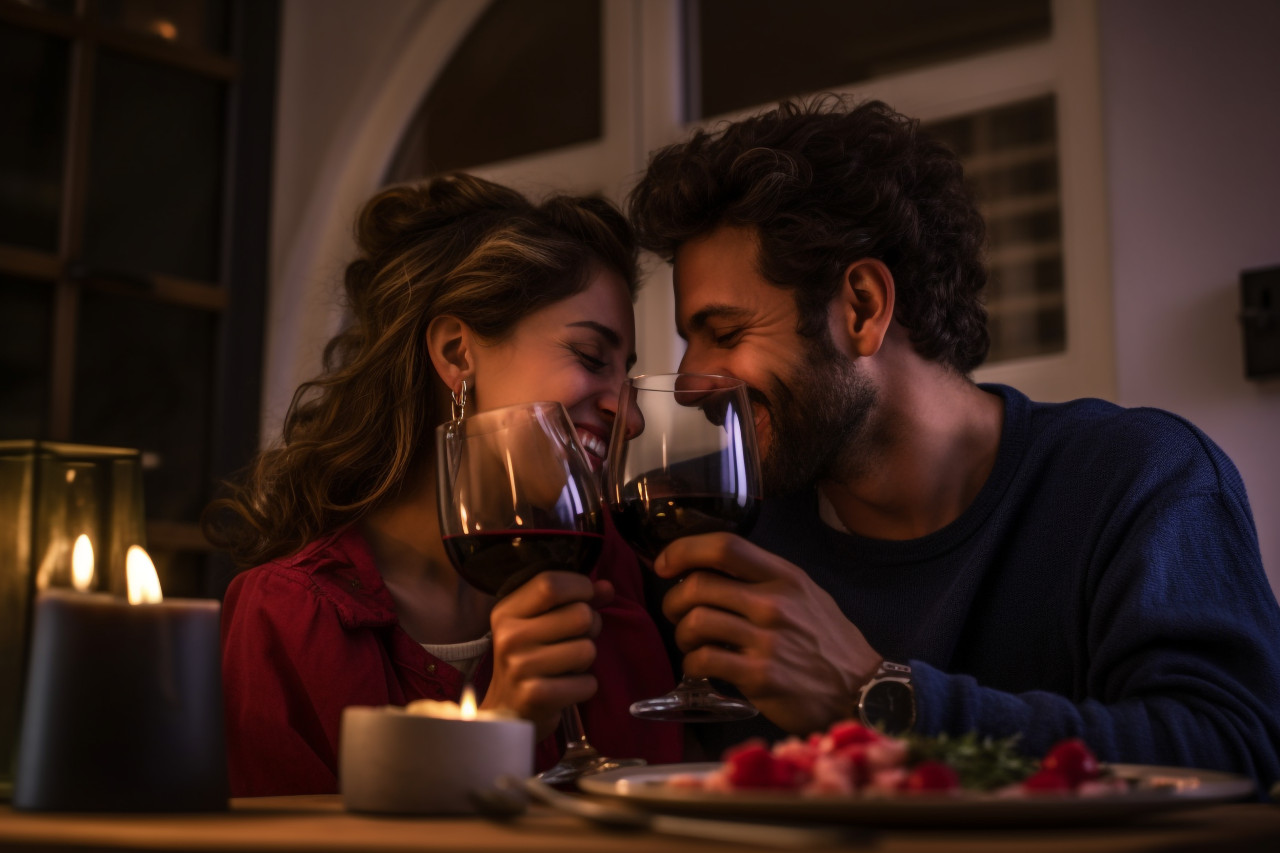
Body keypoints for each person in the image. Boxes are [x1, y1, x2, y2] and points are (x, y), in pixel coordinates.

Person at [625, 96, 1280, 789]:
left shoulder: (1137, 479)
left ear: (862, 307)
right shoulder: (705, 525)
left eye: (726, 332)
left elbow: (1235, 750)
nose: (691, 386)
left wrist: (873, 694)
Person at [205, 173, 681, 796]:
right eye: (592, 358)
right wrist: (497, 730)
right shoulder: (290, 616)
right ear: (458, 354)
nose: (633, 417)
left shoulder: (609, 568)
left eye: (628, 374)